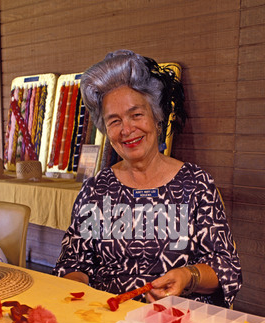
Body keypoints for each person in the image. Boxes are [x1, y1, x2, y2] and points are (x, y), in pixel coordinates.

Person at [53, 50, 242, 308]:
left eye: (136, 115)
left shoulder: (195, 184)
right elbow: (73, 264)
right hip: (108, 319)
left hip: (179, 320)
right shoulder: (95, 191)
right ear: (106, 130)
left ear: (156, 117)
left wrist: (188, 276)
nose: (127, 129)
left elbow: (226, 267)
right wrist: (73, 291)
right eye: (114, 121)